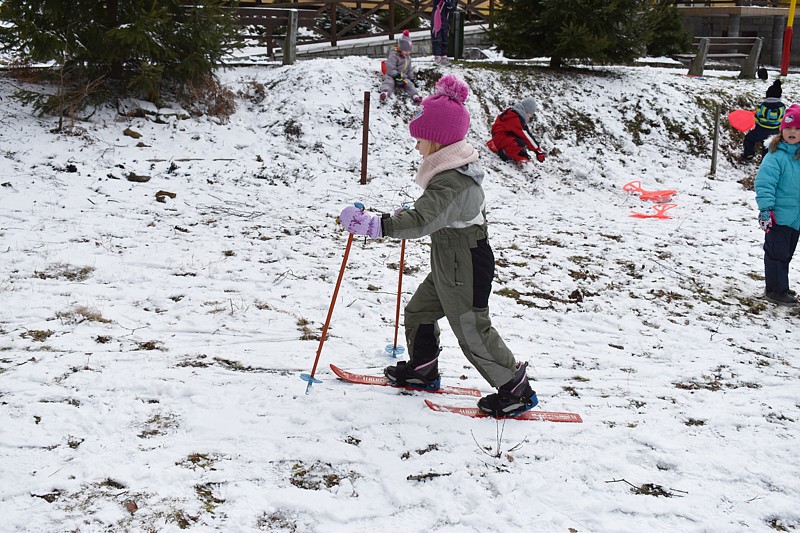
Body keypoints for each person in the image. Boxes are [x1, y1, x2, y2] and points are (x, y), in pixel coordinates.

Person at [338, 74, 538, 418]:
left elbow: (424, 220)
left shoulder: (455, 182)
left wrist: (376, 225)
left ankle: (514, 389)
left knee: (472, 329)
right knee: (419, 311)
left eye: (421, 140)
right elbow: (430, 211)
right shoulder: (451, 173)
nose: (417, 147)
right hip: (451, 261)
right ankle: (423, 369)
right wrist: (408, 212)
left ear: (439, 141)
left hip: (466, 263)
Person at [754, 103, 800, 306]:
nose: (792, 132)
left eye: (798, 129)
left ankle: (781, 285)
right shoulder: (776, 156)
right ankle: (774, 290)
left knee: (786, 254)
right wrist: (766, 209)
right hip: (778, 216)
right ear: (782, 130)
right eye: (789, 128)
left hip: (796, 218)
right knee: (776, 254)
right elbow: (764, 183)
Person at [487, 97, 546, 165]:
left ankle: (517, 153)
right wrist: (538, 152)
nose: (531, 116)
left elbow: (526, 132)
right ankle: (504, 153)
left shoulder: (514, 112)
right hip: (499, 137)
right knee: (520, 143)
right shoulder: (516, 119)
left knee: (519, 140)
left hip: (499, 135)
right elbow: (527, 137)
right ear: (527, 110)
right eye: (531, 113)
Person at [743, 80, 785, 162]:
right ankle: (765, 161)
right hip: (775, 131)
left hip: (761, 129)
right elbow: (782, 118)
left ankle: (749, 155)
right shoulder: (782, 107)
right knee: (768, 146)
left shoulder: (763, 106)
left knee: (749, 138)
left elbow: (757, 116)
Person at [380, 30, 421, 104]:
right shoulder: (394, 56)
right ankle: (385, 93)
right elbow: (390, 66)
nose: (407, 53)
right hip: (392, 76)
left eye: (409, 51)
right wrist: (396, 75)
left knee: (410, 85)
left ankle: (415, 96)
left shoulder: (408, 58)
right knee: (389, 82)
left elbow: (409, 69)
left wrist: (411, 79)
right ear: (400, 49)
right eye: (405, 50)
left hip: (402, 78)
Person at [431, 0, 457, 65]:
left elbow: (452, 8)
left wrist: (449, 4)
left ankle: (444, 55)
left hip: (446, 19)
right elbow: (436, 3)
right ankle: (437, 56)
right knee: (437, 36)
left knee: (445, 36)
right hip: (437, 17)